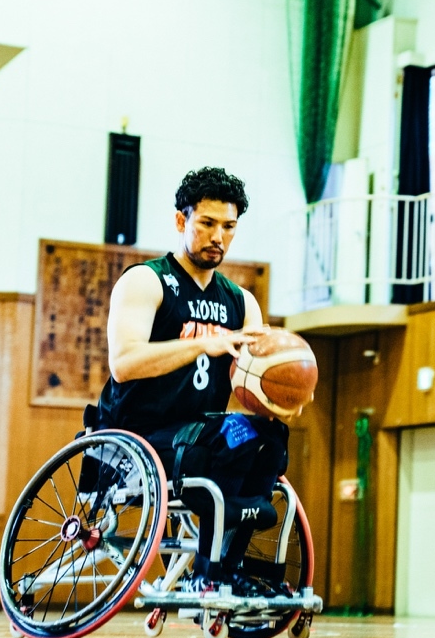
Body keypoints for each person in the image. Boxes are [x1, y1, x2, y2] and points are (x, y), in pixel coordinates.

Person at [93, 166, 291, 592]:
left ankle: (222, 571)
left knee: (268, 438)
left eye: (229, 226)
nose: (219, 236)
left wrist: (282, 393)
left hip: (201, 431)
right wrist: (205, 344)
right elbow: (124, 364)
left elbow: (252, 385)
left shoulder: (241, 303)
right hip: (135, 435)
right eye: (207, 223)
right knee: (220, 446)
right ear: (182, 221)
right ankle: (211, 573)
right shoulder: (146, 282)